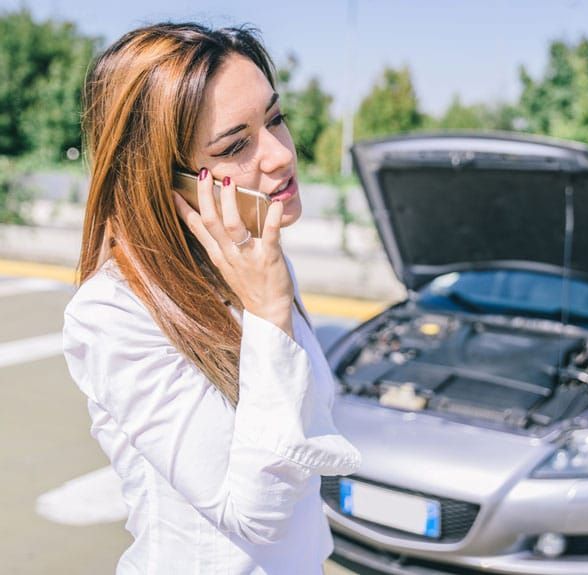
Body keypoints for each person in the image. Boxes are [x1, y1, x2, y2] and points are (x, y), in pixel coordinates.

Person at [62, 22, 361, 575]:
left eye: (275, 119)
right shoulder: (113, 314)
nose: (278, 154)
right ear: (166, 179)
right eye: (235, 145)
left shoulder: (256, 261)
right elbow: (254, 517)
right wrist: (269, 315)